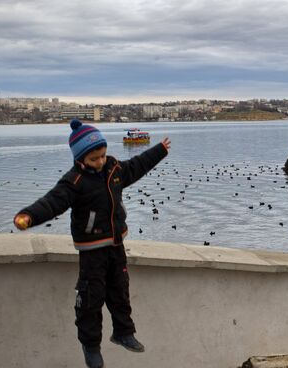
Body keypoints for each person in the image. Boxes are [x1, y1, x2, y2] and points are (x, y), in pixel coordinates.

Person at [13, 119, 172, 368]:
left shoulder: (114, 169)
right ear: (80, 159)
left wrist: (159, 150)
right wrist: (29, 216)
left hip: (116, 244)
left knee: (120, 290)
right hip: (92, 249)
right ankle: (91, 346)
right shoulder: (74, 181)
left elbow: (137, 166)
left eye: (103, 155)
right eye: (94, 159)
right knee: (90, 299)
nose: (100, 162)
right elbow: (52, 202)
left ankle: (123, 332)